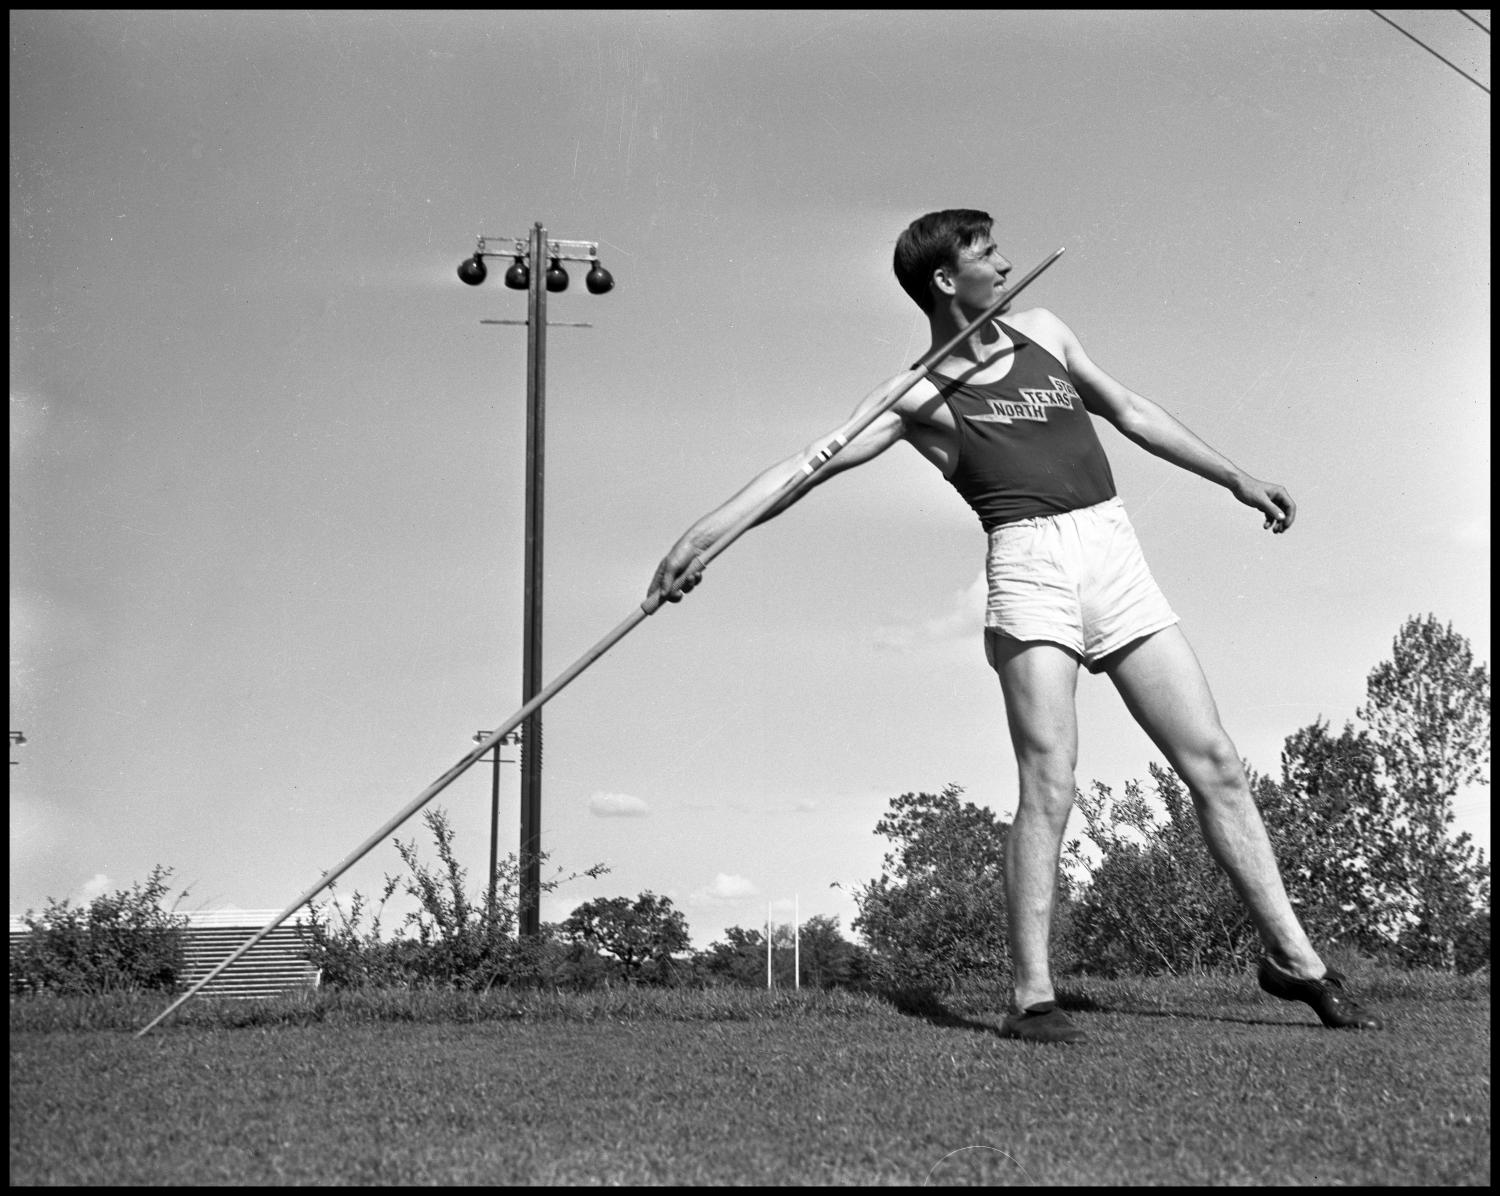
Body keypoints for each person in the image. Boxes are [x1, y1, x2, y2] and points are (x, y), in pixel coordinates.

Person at [648, 209, 1383, 1043]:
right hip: (1030, 566)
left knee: (1214, 760)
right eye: (985, 253)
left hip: (1114, 550)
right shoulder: (915, 393)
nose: (1004, 262)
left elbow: (1131, 412)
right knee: (1051, 780)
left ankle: (1297, 963)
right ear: (943, 280)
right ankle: (1032, 996)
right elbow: (805, 468)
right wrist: (703, 538)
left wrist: (1235, 477)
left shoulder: (1044, 330)